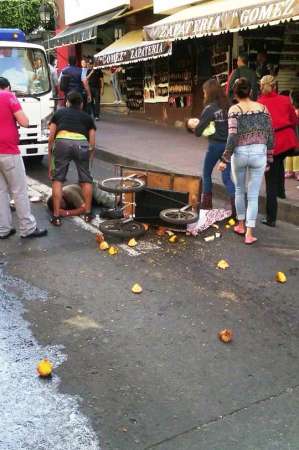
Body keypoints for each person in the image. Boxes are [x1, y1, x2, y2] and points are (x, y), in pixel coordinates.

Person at [218, 78, 274, 244]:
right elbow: (271, 134)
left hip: (240, 154)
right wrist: (269, 158)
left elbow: (232, 136)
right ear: (250, 91)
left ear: (235, 94)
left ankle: (240, 224)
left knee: (239, 189)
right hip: (259, 154)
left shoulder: (234, 109)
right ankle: (249, 233)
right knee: (253, 195)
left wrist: (224, 159)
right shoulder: (263, 108)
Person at [0, 77, 47, 239]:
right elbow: (24, 122)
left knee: (0, 192)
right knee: (19, 191)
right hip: (8, 150)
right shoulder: (8, 96)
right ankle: (27, 228)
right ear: (7, 87)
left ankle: (3, 229)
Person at [48, 91, 96, 226]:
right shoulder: (87, 118)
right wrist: (89, 161)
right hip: (82, 144)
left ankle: (56, 216)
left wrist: (51, 163)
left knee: (58, 180)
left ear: (67, 102)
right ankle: (87, 213)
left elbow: (51, 138)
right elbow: (92, 143)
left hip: (62, 142)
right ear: (81, 104)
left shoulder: (58, 114)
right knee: (86, 179)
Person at [186, 78, 235, 212]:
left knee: (206, 173)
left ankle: (207, 205)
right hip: (229, 146)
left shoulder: (209, 109)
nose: (204, 94)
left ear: (209, 92)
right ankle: (237, 209)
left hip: (215, 146)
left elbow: (198, 131)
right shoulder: (229, 106)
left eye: (204, 92)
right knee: (226, 178)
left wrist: (192, 126)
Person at [258, 75, 298, 227]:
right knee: (279, 162)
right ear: (275, 86)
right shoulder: (285, 99)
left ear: (261, 87)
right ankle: (282, 192)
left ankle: (271, 218)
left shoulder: (259, 104)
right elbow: (295, 120)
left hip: (271, 144)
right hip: (287, 141)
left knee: (270, 181)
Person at [46, 182, 115, 217]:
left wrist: (67, 213)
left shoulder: (69, 194)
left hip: (91, 188)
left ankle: (122, 196)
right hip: (87, 196)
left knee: (111, 202)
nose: (63, 205)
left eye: (61, 203)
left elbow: (85, 209)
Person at [285, 90, 299, 181]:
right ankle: (297, 172)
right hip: (295, 133)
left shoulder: (291, 109)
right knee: (296, 152)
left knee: (290, 152)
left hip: (291, 133)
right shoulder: (294, 110)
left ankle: (289, 171)